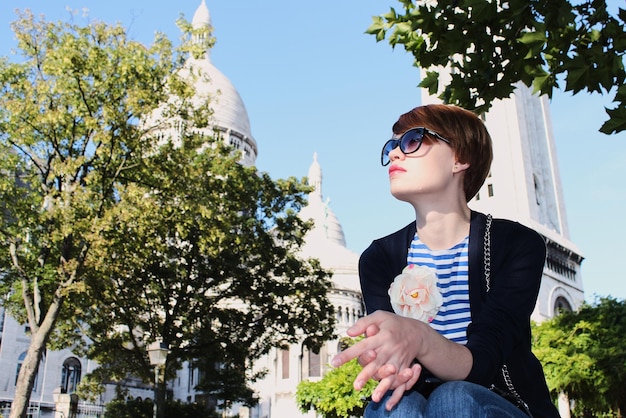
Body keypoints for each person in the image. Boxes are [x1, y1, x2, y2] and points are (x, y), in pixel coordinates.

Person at [331, 104, 560, 418]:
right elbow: (392, 356)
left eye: (412, 141)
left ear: (459, 158)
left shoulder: (516, 245)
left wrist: (421, 339)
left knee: (454, 398)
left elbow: (485, 361)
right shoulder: (378, 258)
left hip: (501, 403)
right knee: (394, 404)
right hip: (417, 405)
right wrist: (388, 363)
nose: (395, 154)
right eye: (391, 147)